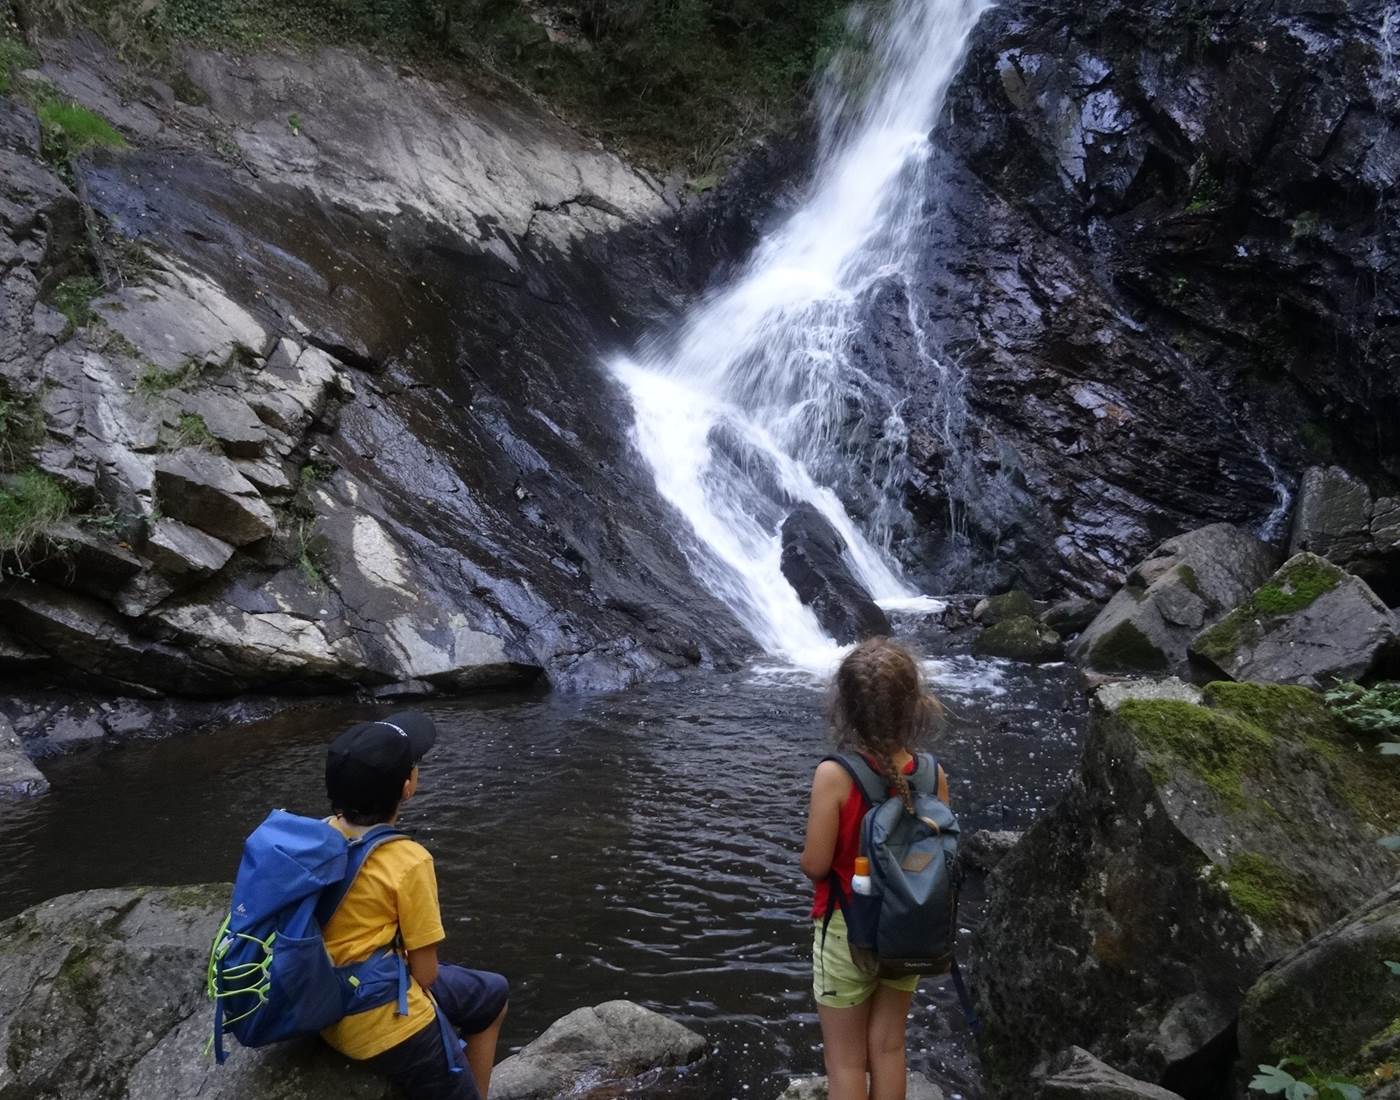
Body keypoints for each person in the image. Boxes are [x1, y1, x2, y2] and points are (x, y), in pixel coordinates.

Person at [322, 711, 508, 1100]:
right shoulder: (408, 861)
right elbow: (425, 974)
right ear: (407, 787)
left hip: (320, 991)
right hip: (375, 1018)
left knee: (492, 992)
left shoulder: (320, 834)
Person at [799, 639, 950, 1100]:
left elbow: (816, 864)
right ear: (914, 705)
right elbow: (937, 855)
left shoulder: (835, 775)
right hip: (908, 926)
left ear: (845, 707)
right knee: (889, 1046)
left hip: (849, 928)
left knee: (844, 1059)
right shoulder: (931, 772)